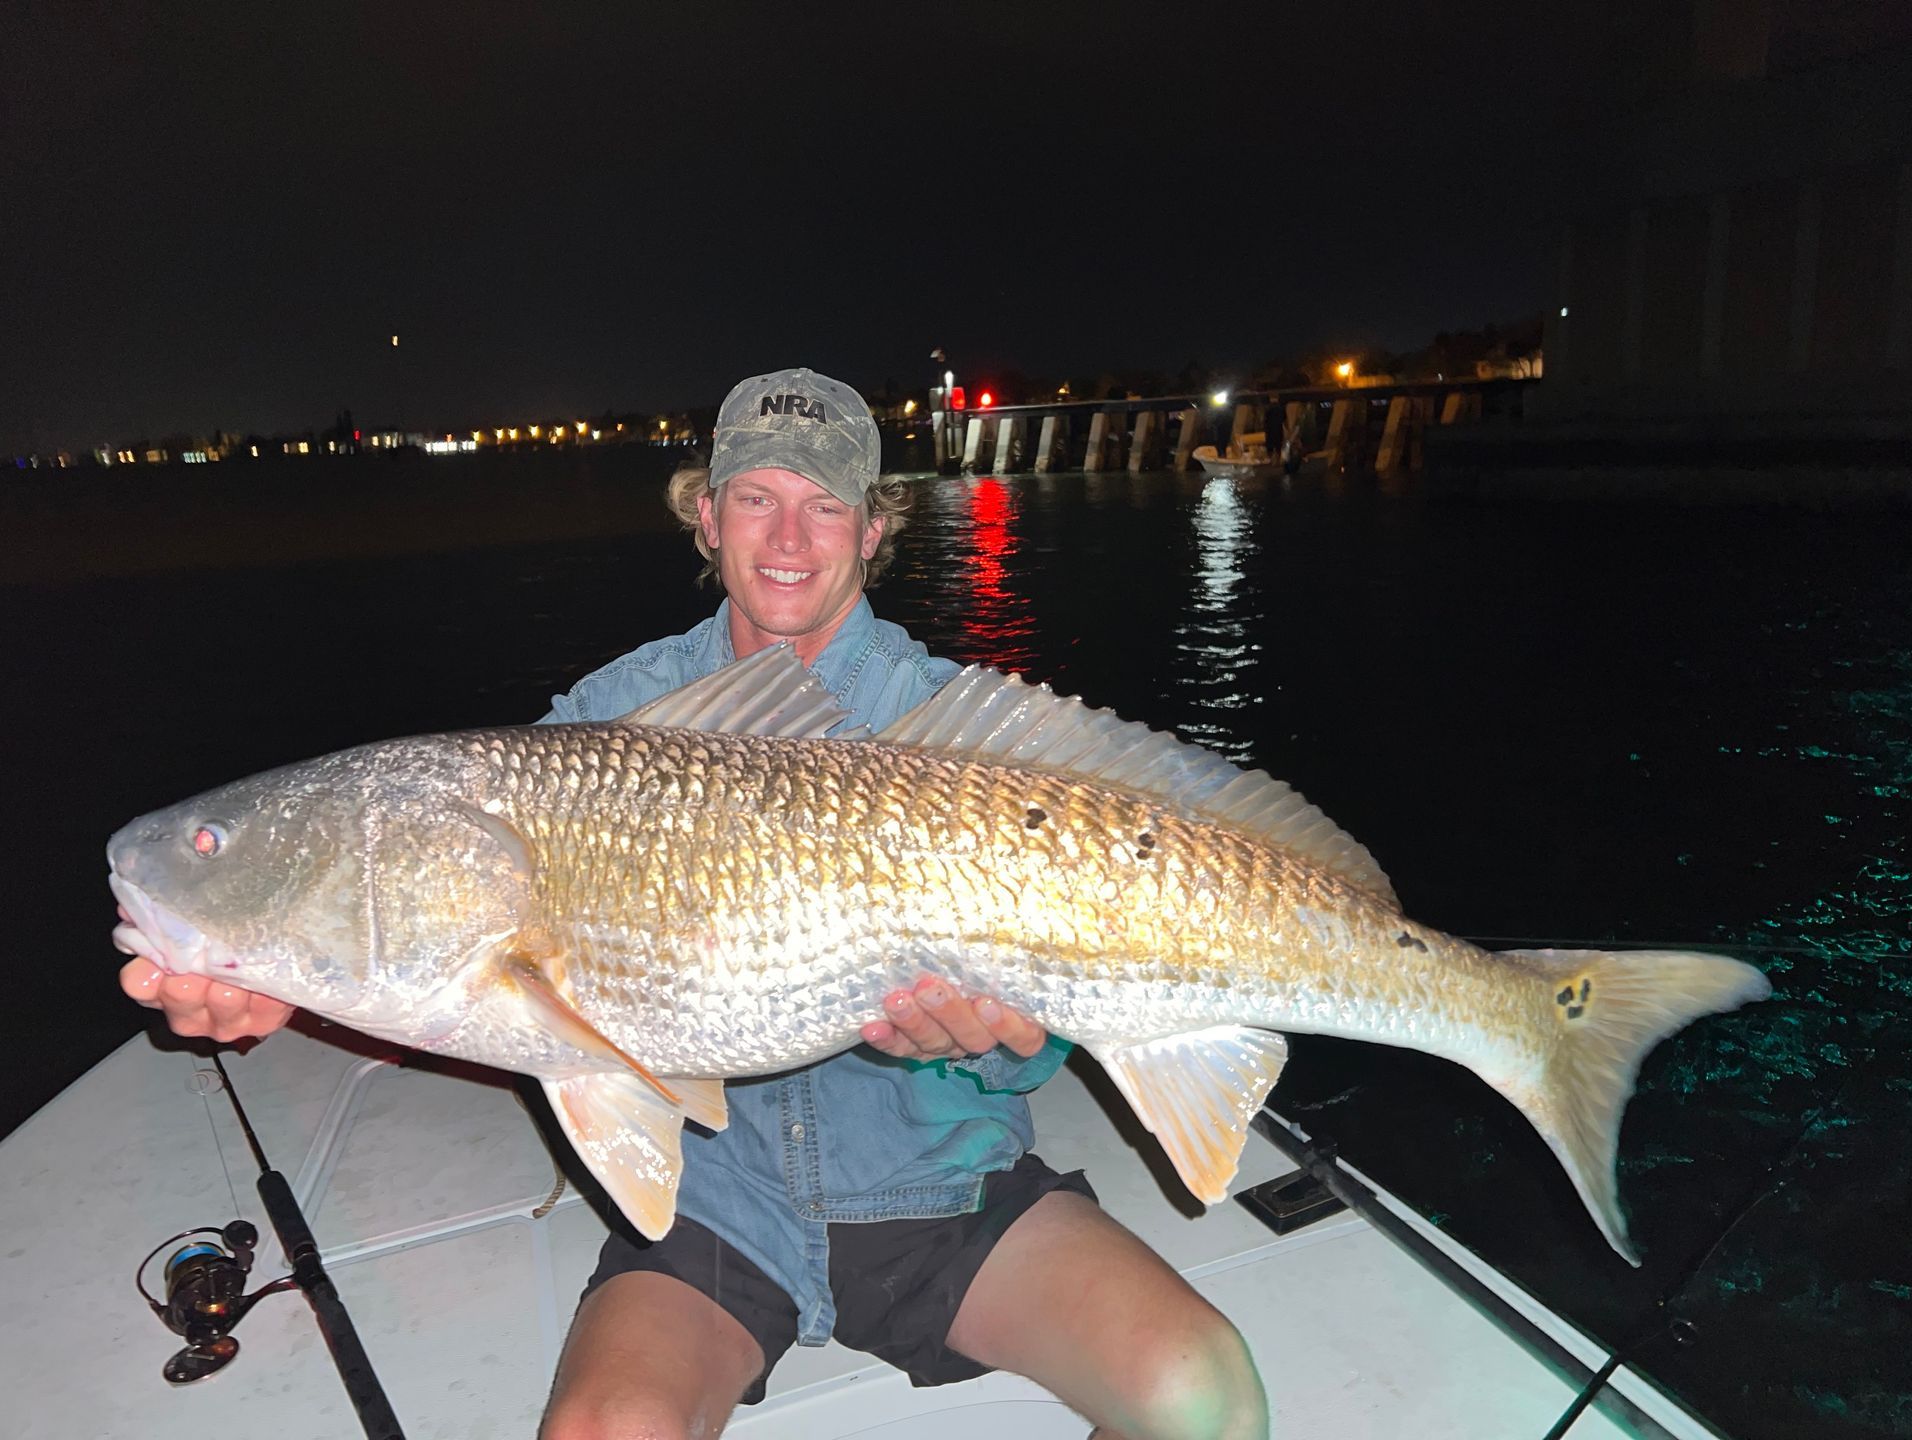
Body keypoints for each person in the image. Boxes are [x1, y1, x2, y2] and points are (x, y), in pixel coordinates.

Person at [118, 367, 1268, 1440]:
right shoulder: (600, 726)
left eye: (824, 506)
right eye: (754, 498)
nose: (786, 537)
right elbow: (459, 970)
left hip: (946, 1196)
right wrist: (272, 983)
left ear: (873, 530)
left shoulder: (967, 737)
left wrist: (1008, 1048)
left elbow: (1043, 1031)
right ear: (704, 518)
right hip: (722, 1219)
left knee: (1205, 1392)